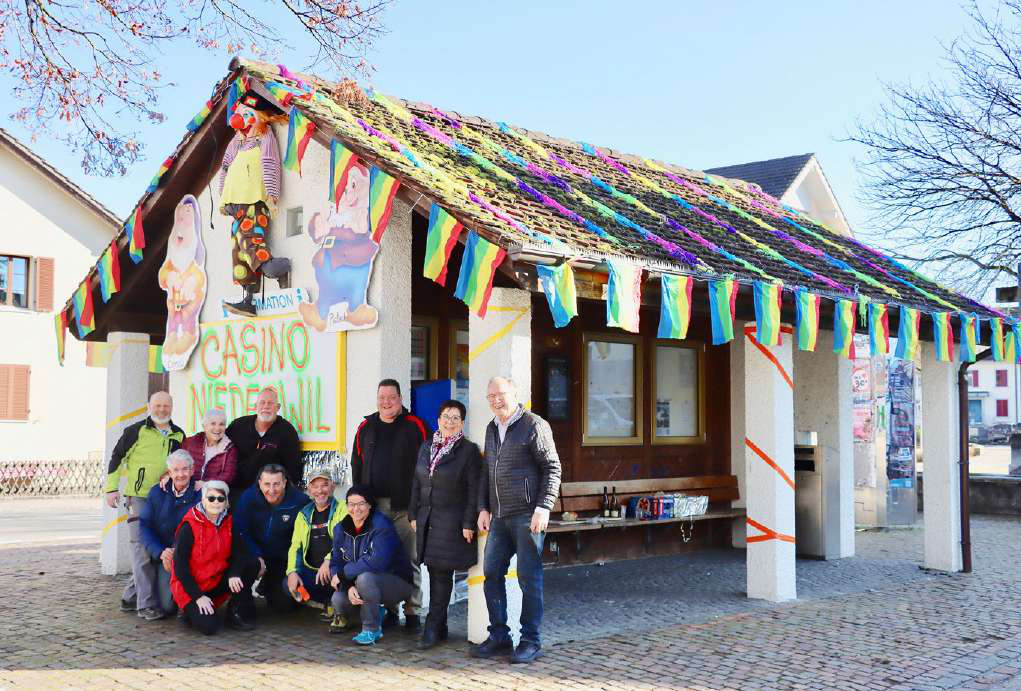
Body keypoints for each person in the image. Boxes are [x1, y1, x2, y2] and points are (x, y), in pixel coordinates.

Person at [472, 377, 562, 664]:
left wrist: (544, 506)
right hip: (498, 516)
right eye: (491, 396)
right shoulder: (490, 428)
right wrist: (483, 507)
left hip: (527, 515)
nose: (496, 400)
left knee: (528, 579)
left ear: (514, 393)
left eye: (500, 394)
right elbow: (487, 472)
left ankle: (530, 640)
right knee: (492, 574)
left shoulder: (534, 425)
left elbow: (552, 467)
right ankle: (499, 636)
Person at [350, 379, 428, 630]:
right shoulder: (365, 427)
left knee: (410, 558)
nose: (386, 402)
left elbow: (427, 467)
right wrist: (360, 504)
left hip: (406, 507)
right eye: (381, 397)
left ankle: (413, 612)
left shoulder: (415, 426)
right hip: (375, 509)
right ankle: (389, 609)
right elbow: (357, 465)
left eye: (391, 398)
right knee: (380, 559)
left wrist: (421, 504)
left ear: (400, 399)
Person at [105, 391, 185, 620]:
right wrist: (111, 489)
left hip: (164, 498)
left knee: (153, 549)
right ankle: (146, 605)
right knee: (141, 549)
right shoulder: (135, 431)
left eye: (166, 406)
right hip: (138, 497)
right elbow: (116, 458)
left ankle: (131, 596)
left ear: (171, 407)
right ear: (148, 406)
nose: (162, 410)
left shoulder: (178, 434)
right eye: (157, 405)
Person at [408, 400, 481, 649]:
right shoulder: (426, 446)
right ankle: (441, 626)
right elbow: (417, 483)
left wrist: (469, 521)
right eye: (445, 416)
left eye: (455, 418)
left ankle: (432, 626)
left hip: (451, 521)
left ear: (462, 423)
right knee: (433, 571)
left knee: (442, 573)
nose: (449, 422)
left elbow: (474, 490)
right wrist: (413, 514)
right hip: (427, 520)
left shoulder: (468, 451)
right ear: (438, 420)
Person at [329, 485, 414, 645]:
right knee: (338, 599)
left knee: (365, 578)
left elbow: (377, 562)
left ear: (370, 505)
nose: (356, 509)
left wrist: (343, 575)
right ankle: (375, 611)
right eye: (351, 504)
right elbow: (335, 562)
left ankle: (371, 629)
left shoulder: (381, 525)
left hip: (395, 583)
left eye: (361, 503)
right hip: (359, 582)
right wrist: (347, 585)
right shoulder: (340, 529)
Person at [171, 481, 259, 635]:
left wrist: (234, 574)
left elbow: (241, 552)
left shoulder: (230, 522)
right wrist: (198, 596)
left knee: (252, 564)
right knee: (210, 627)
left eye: (220, 498)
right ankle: (187, 611)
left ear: (226, 502)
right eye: (211, 498)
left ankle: (235, 611)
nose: (215, 502)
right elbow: (180, 566)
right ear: (203, 500)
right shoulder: (189, 525)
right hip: (192, 587)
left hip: (216, 580)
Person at [234, 463, 311, 618]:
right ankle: (242, 603)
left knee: (284, 606)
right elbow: (240, 530)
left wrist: (293, 568)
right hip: (254, 555)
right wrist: (256, 555)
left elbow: (302, 538)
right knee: (246, 566)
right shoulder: (248, 497)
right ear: (259, 483)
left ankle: (268, 584)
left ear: (285, 482)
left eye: (276, 484)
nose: (272, 490)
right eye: (267, 484)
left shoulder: (300, 501)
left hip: (282, 558)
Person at [138, 450, 200, 618]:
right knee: (166, 605)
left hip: (184, 554)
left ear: (193, 470)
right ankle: (136, 595)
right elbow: (144, 526)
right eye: (176, 470)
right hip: (162, 552)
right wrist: (160, 551)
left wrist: (176, 552)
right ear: (169, 472)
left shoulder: (201, 493)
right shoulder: (156, 492)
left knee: (171, 605)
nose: (181, 474)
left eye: (185, 469)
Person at [286, 466, 348, 620]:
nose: (320, 491)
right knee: (286, 584)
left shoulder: (343, 509)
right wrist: (292, 571)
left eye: (324, 485)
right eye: (315, 486)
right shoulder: (304, 514)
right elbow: (296, 546)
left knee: (345, 579)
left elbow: (345, 541)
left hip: (335, 569)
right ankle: (325, 602)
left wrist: (329, 561)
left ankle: (341, 605)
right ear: (309, 490)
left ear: (333, 486)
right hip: (313, 571)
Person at [226, 387, 302, 491]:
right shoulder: (238, 426)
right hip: (236, 490)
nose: (266, 406)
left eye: (270, 403)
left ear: (278, 407)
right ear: (255, 406)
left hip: (269, 493)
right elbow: (221, 451)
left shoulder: (287, 432)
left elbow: (293, 470)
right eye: (262, 402)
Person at [182, 408, 237, 489]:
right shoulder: (191, 442)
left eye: (221, 424)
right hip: (189, 489)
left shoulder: (230, 449)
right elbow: (177, 463)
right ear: (204, 426)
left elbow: (228, 476)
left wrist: (205, 483)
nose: (217, 428)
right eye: (213, 423)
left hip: (214, 493)